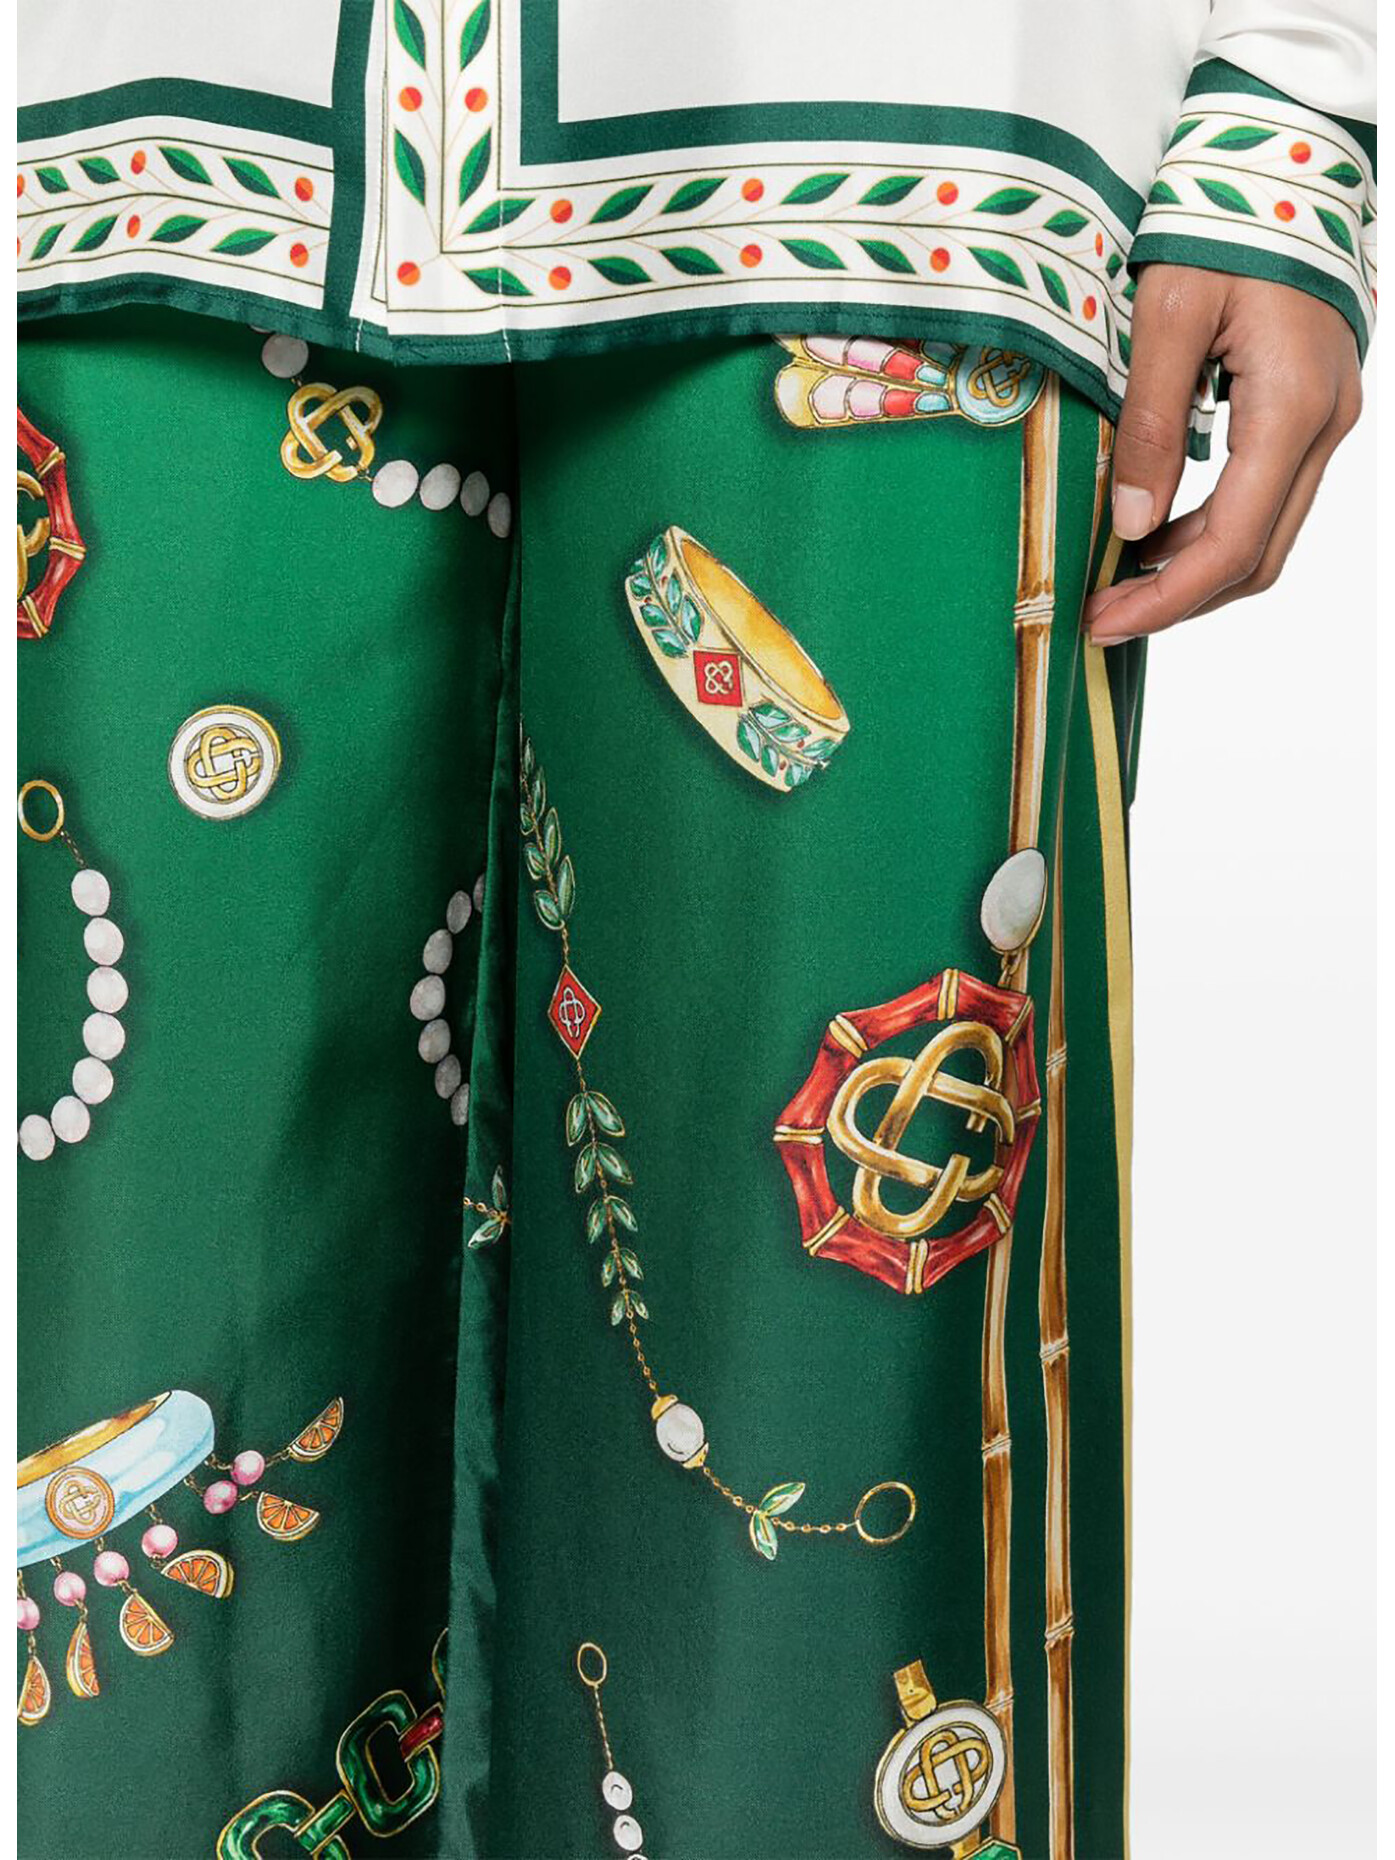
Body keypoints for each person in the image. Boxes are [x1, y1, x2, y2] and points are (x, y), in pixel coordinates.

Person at [15, 4, 1373, 1855]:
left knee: (817, 1476)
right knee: (146, 1333)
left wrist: (1283, 118)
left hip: (909, 165)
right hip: (140, 156)